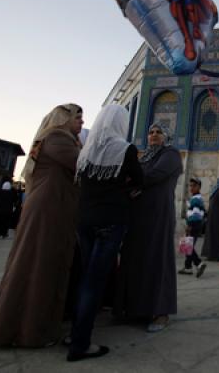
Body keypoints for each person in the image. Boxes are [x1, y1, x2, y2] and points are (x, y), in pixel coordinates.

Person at [0, 103, 84, 348]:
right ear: (64, 119)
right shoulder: (58, 138)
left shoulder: (51, 138)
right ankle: (30, 331)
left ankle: (32, 327)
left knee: (40, 263)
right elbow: (84, 167)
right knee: (41, 265)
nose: (81, 124)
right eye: (78, 118)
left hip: (51, 206)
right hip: (50, 208)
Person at [66, 104, 142, 362]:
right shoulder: (125, 149)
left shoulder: (86, 152)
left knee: (85, 276)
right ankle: (80, 344)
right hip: (111, 221)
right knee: (94, 282)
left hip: (85, 220)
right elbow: (139, 181)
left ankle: (74, 332)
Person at [114, 121, 183, 333]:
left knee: (156, 258)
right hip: (138, 215)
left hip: (157, 215)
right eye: (151, 132)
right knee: (135, 258)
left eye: (158, 132)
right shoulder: (144, 157)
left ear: (167, 136)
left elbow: (152, 176)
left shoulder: (171, 154)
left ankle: (160, 311)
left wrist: (131, 182)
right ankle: (134, 308)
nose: (153, 135)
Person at [179, 178, 207, 276]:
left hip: (194, 224)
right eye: (190, 185)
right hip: (196, 224)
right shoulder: (196, 198)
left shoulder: (196, 199)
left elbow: (195, 215)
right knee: (187, 246)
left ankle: (198, 263)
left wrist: (189, 225)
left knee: (187, 246)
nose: (191, 188)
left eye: (193, 186)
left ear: (199, 187)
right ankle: (188, 267)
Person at [203, 177, 219, 261]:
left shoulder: (214, 192)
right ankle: (218, 256)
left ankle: (211, 255)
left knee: (212, 236)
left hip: (212, 218)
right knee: (218, 237)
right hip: (217, 218)